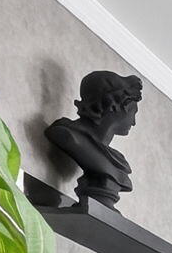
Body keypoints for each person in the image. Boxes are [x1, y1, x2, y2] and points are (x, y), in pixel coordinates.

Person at [47, 71, 143, 207]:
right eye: (133, 113)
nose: (133, 122)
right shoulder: (68, 135)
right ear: (116, 106)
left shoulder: (119, 160)